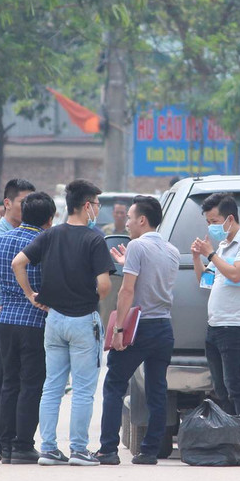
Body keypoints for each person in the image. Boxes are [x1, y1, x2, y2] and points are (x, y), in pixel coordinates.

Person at [12, 179, 113, 466]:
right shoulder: (94, 240)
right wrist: (89, 292)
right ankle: (79, 449)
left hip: (53, 320)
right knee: (82, 389)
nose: (97, 209)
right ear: (85, 206)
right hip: (83, 321)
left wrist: (31, 295)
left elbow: (18, 263)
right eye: (96, 204)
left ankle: (48, 448)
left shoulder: (50, 235)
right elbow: (104, 286)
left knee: (52, 387)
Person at [0, 191, 55, 464]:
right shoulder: (47, 243)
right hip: (35, 321)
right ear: (49, 219)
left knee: (8, 382)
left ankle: (4, 444)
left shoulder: (2, 239)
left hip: (5, 321)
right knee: (31, 384)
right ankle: (22, 444)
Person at [96, 196, 180, 465]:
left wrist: (119, 328)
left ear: (142, 220)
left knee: (115, 384)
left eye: (131, 218)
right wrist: (127, 262)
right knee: (157, 390)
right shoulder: (171, 250)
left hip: (138, 326)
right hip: (163, 327)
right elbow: (151, 278)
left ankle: (108, 449)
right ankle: (150, 451)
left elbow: (127, 290)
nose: (128, 223)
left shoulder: (136, 247)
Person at [191, 192, 240, 463]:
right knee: (220, 389)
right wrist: (199, 257)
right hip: (215, 326)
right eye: (208, 221)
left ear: (230, 218)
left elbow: (236, 274)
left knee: (236, 387)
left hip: (235, 327)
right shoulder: (222, 247)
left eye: (214, 220)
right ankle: (231, 441)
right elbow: (205, 281)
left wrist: (210, 253)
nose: (211, 225)